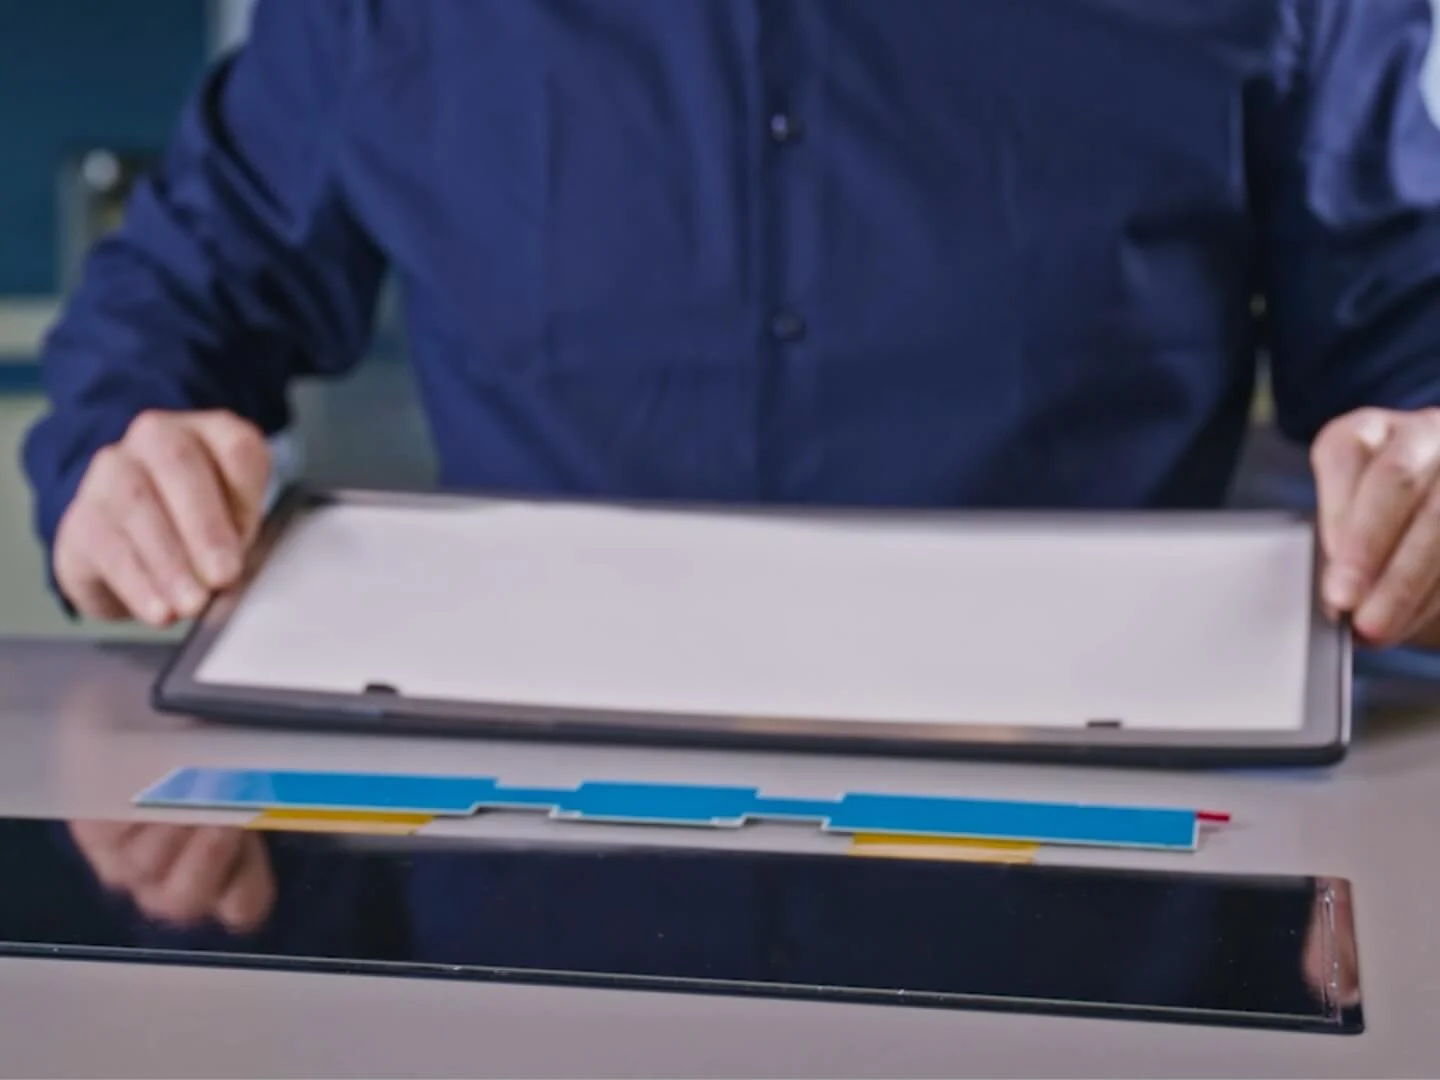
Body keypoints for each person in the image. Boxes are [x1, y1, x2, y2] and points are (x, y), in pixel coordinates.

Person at [20, 0, 1440, 648]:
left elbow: (1408, 346)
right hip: (525, 850)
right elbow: (174, 311)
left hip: (1111, 836)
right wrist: (118, 466)